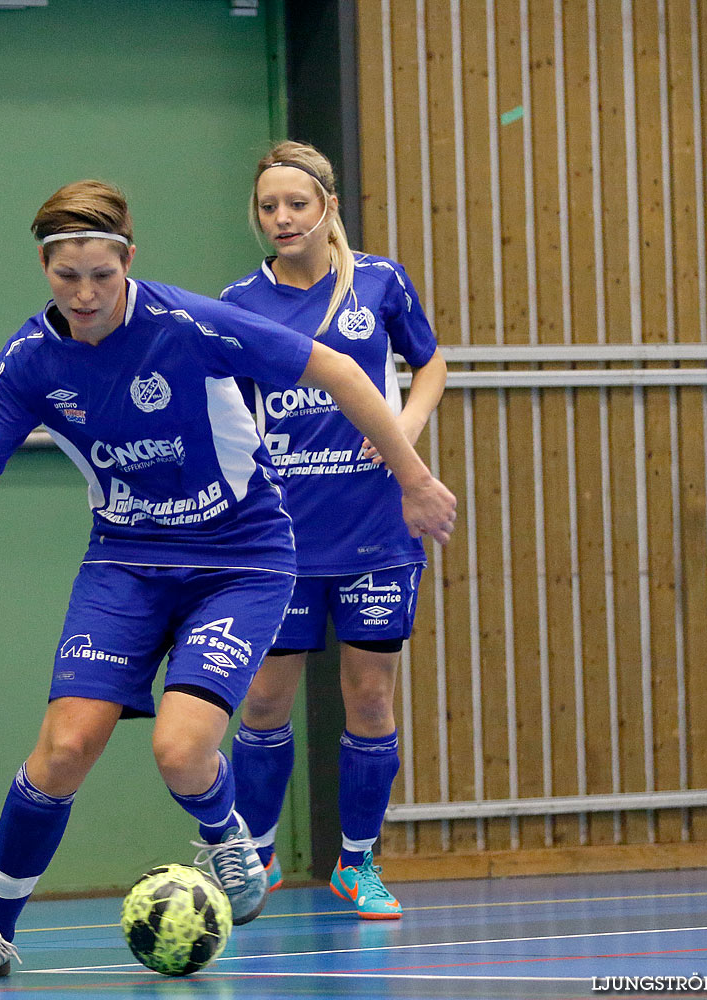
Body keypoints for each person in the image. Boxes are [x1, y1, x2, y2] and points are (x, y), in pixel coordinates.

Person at [0, 179, 456, 980]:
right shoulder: (30, 360)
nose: (87, 294)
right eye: (68, 277)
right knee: (63, 749)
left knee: (179, 749)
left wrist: (410, 475)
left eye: (103, 272)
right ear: (44, 268)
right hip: (125, 564)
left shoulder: (190, 323)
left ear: (130, 258)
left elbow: (336, 368)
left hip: (242, 559)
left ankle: (224, 833)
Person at [220, 141, 446, 919]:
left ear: (327, 208)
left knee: (370, 698)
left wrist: (403, 432)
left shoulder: (380, 282)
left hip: (375, 529)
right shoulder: (238, 302)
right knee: (262, 698)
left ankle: (357, 863)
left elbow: (432, 364)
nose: (281, 218)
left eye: (296, 204)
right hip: (281, 536)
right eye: (268, 207)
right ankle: (252, 855)